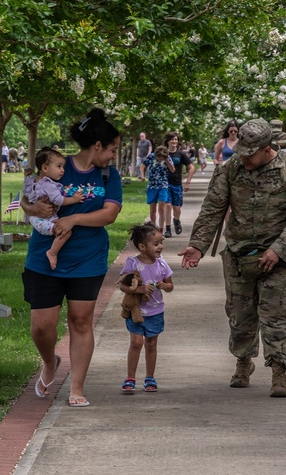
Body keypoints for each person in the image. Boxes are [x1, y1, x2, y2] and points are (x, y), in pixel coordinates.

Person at [179, 118, 286, 398]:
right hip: (240, 255)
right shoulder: (231, 169)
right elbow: (212, 208)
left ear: (266, 148)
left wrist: (278, 248)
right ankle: (243, 362)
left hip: (279, 256)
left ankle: (279, 371)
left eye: (249, 153)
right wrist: (197, 245)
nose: (244, 157)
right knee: (240, 316)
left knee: (277, 316)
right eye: (241, 150)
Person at [20, 108, 122, 408]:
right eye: (113, 149)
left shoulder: (108, 175)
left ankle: (76, 387)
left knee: (80, 321)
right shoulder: (58, 165)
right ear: (98, 145)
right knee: (41, 326)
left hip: (87, 259)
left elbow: (110, 213)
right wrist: (31, 209)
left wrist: (75, 218)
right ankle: (50, 361)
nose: (114, 155)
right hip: (44, 257)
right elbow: (27, 197)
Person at [117, 224, 175, 395]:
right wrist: (139, 290)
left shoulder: (162, 264)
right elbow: (122, 285)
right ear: (142, 247)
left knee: (151, 344)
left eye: (160, 243)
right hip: (135, 312)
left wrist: (165, 285)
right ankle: (130, 378)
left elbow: (171, 285)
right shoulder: (132, 264)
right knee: (136, 343)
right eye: (155, 244)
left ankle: (150, 377)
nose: (160, 247)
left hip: (155, 311)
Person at [24, 147, 87, 270]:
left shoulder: (36, 181)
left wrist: (26, 177)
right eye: (59, 166)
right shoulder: (48, 184)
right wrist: (75, 199)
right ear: (45, 168)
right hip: (43, 220)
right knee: (65, 231)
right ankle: (52, 252)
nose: (62, 170)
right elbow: (58, 200)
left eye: (63, 167)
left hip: (37, 219)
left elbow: (26, 191)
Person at [163, 131, 195, 238]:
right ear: (167, 141)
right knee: (167, 205)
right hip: (165, 184)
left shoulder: (180, 154)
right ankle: (167, 229)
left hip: (177, 184)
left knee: (177, 208)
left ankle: (176, 220)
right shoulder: (163, 153)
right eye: (172, 139)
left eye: (176, 139)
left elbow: (191, 167)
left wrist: (188, 182)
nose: (174, 141)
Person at [141, 145, 175, 231]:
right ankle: (153, 228)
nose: (160, 159)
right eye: (159, 157)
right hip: (152, 185)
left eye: (162, 157)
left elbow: (173, 170)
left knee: (161, 208)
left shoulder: (167, 158)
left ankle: (161, 229)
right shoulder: (151, 156)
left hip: (163, 185)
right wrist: (142, 175)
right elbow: (143, 165)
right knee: (152, 209)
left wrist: (166, 159)